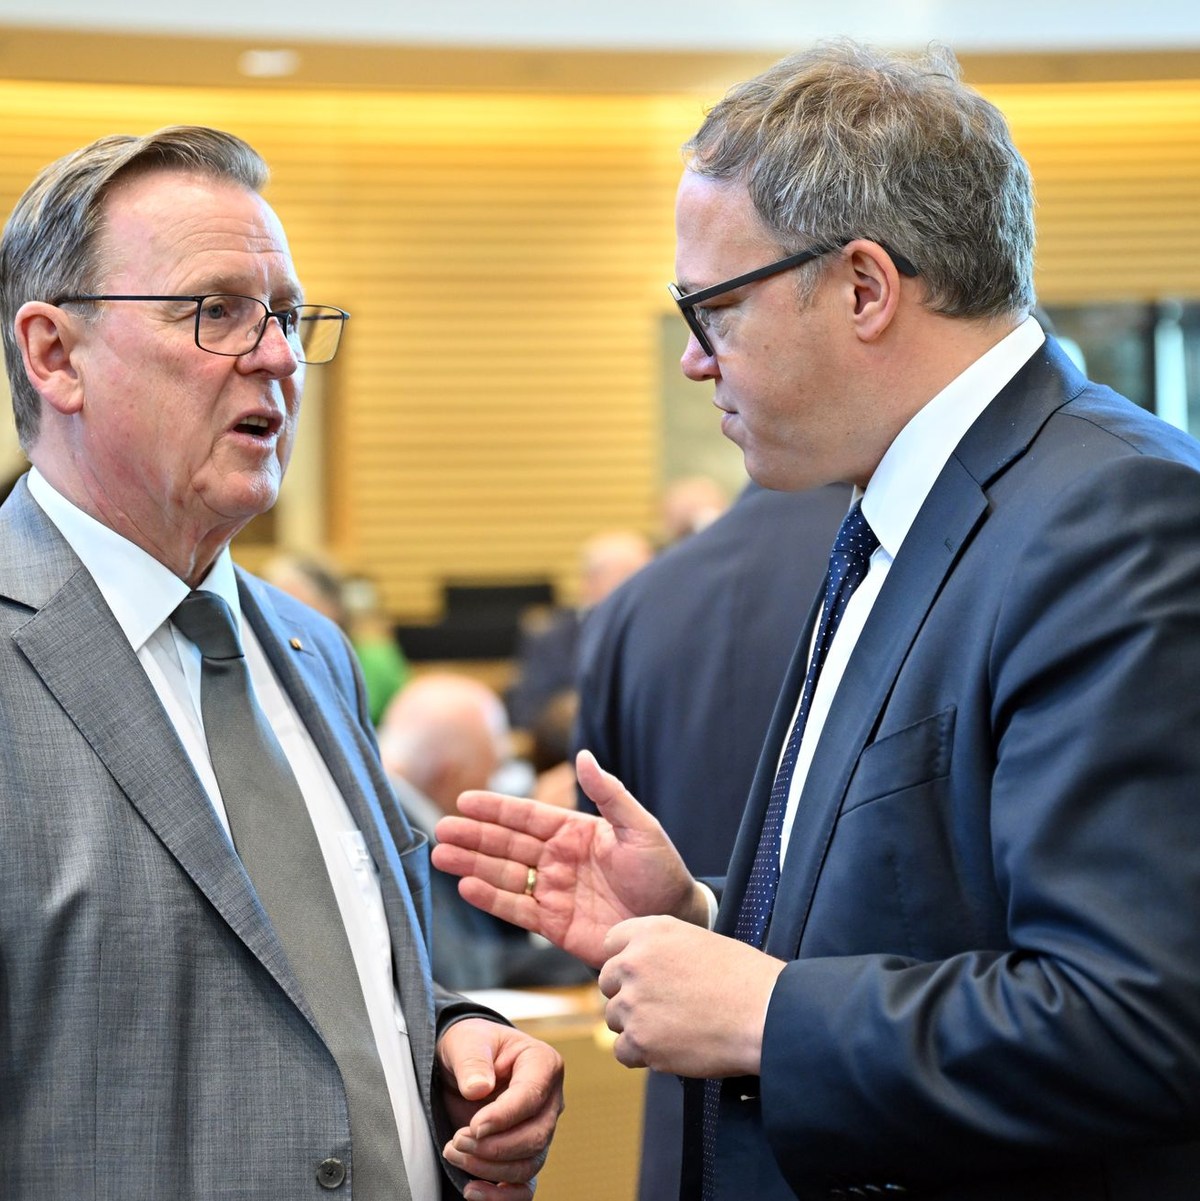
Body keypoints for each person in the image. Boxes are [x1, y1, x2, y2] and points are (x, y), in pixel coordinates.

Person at [433, 39, 1200, 1200]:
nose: (695, 360)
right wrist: (699, 916)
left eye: (714, 307)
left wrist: (765, 1008)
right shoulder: (895, 510)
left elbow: (1142, 1018)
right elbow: (940, 908)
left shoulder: (1116, 518)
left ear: (863, 287)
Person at [0, 125, 561, 1201]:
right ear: (53, 354)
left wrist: (460, 1040)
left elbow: (317, 979)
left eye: (291, 317)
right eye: (214, 311)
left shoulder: (313, 652)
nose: (278, 358)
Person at [574, 479, 848, 1199]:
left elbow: (601, 824)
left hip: (682, 1106)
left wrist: (694, 909)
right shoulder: (883, 572)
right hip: (855, 1105)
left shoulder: (632, 605)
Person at [378, 672, 529, 989]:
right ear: (453, 774)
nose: (497, 786)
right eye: (494, 768)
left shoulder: (405, 816)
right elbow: (462, 970)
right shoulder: (394, 832)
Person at [504, 528, 652, 730]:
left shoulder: (660, 635)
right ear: (590, 580)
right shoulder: (551, 637)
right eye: (627, 574)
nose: (644, 585)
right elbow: (527, 710)